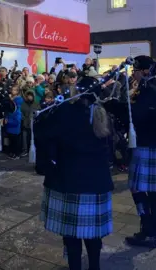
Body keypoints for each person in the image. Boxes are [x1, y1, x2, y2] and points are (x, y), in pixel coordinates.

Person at [36, 76, 114, 270]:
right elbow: (110, 149)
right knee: (93, 234)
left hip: (68, 180)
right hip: (96, 182)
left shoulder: (64, 111)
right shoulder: (103, 113)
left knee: (71, 236)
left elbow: (43, 134)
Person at [125, 56, 156, 248]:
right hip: (152, 145)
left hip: (149, 145)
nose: (133, 73)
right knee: (147, 191)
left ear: (145, 71)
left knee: (145, 191)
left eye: (136, 69)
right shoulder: (150, 89)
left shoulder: (151, 90)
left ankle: (151, 230)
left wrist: (121, 107)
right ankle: (150, 230)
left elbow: (139, 115)